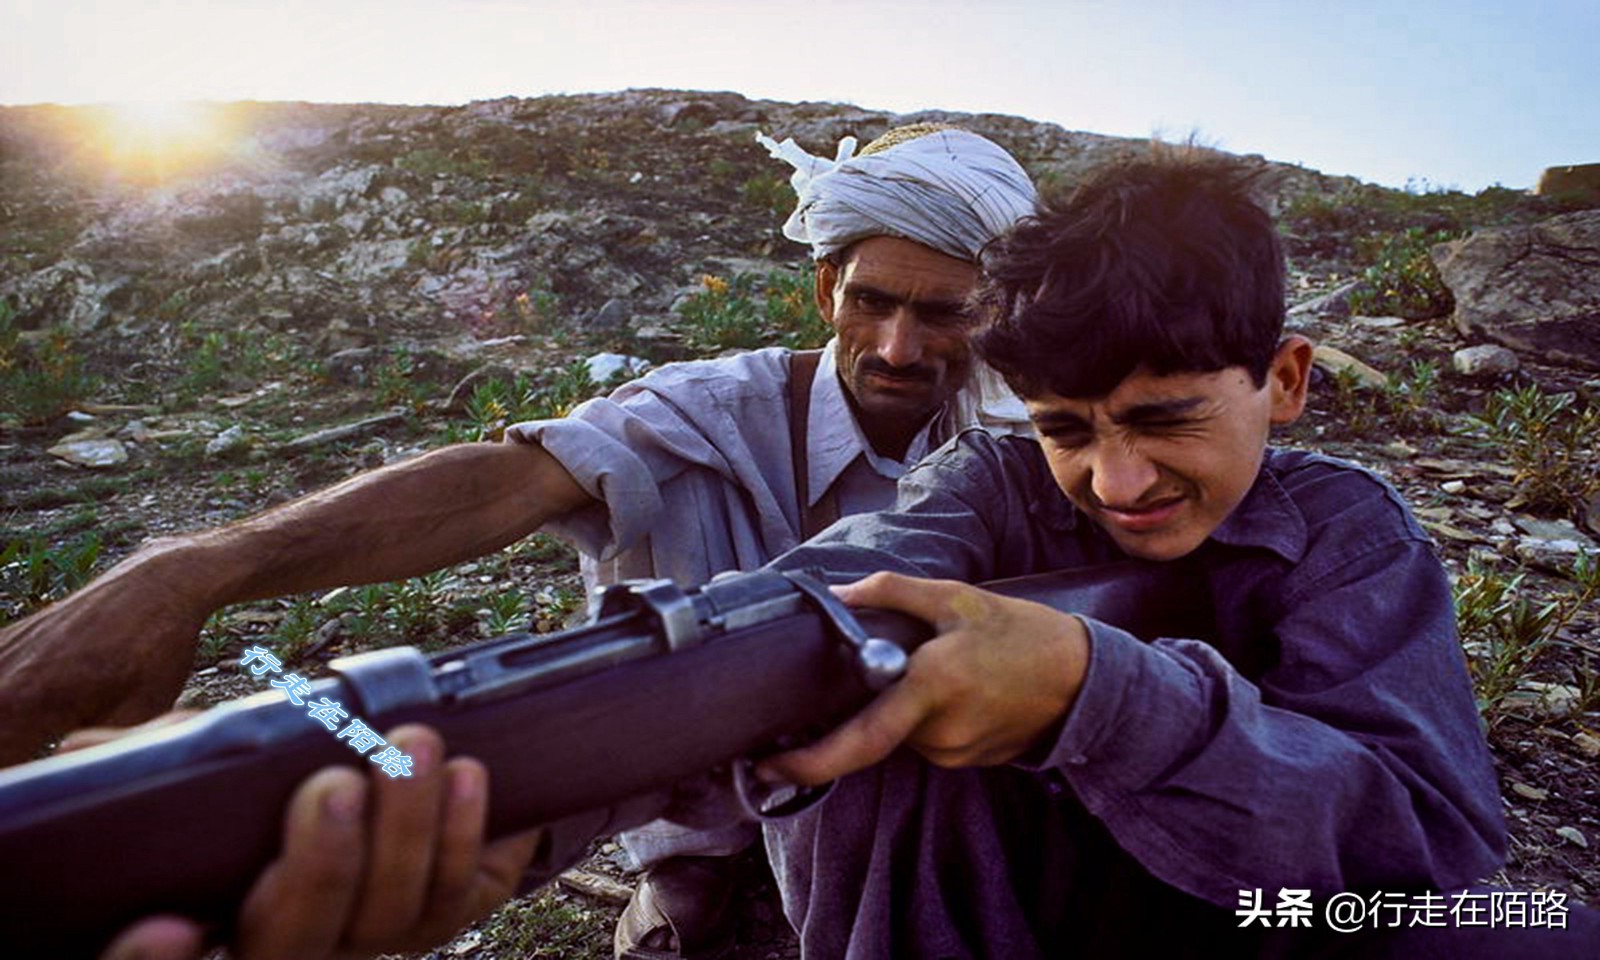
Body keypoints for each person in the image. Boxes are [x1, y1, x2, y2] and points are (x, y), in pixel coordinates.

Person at [0, 123, 1038, 958]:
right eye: (871, 303)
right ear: (826, 292)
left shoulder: (1038, 441)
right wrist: (201, 567)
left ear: (994, 313)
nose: (900, 348)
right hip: (696, 831)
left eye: (943, 314)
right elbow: (511, 478)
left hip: (922, 825)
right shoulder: (718, 406)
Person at [742, 148, 1598, 956]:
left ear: (1287, 379)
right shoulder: (989, 483)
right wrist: (722, 659)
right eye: (1065, 429)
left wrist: (1099, 696)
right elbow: (854, 570)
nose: (1117, 482)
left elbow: (1418, 843)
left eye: (1166, 419)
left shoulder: (1346, 533)